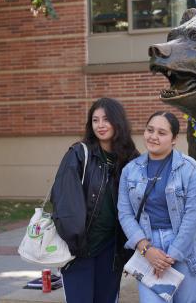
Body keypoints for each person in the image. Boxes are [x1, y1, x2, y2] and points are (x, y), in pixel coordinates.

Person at [118, 111, 196, 303]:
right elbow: (125, 213)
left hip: (188, 244)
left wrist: (169, 256)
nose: (153, 136)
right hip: (148, 244)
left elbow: (193, 216)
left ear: (174, 139)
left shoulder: (190, 168)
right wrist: (146, 250)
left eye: (162, 133)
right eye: (150, 130)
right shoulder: (130, 170)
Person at [50, 98, 139, 303]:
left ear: (118, 122)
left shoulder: (131, 159)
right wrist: (73, 246)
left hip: (111, 252)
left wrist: (129, 252)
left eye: (106, 119)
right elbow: (65, 202)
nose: (100, 125)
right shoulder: (79, 154)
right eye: (95, 120)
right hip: (80, 251)